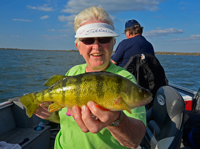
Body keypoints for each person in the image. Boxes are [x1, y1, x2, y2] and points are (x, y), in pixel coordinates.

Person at [34, 6, 146, 149]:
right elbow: (67, 118)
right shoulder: (72, 73)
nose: (96, 46)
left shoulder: (124, 80)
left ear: (113, 44)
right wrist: (50, 115)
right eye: (87, 40)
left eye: (104, 38)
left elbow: (136, 139)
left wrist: (116, 120)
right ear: (78, 46)